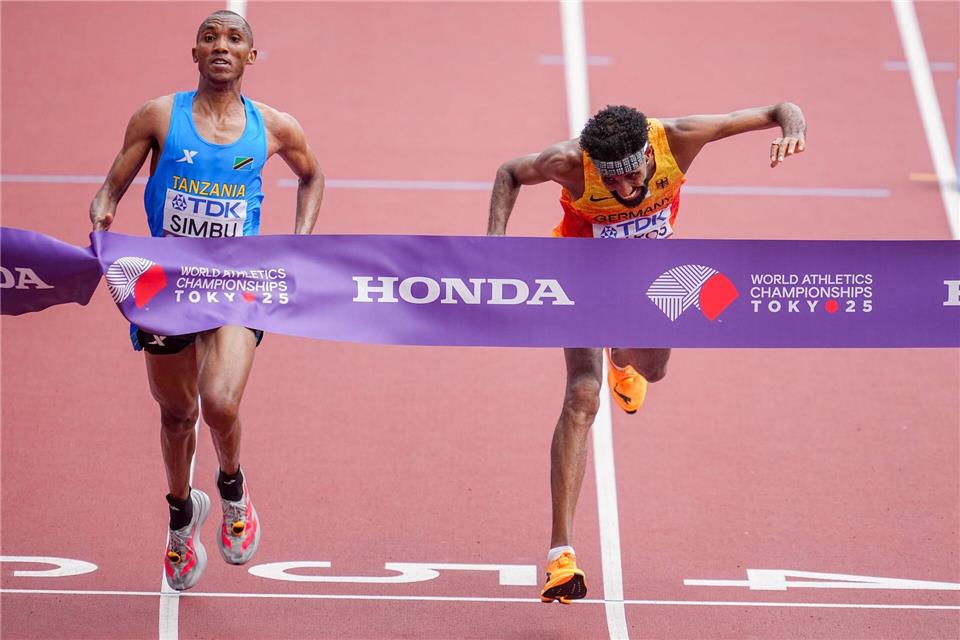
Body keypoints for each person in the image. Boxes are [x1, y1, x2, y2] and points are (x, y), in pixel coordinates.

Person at [487, 103, 806, 603]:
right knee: (582, 396)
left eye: (631, 175)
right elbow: (509, 172)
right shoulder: (567, 162)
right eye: (610, 180)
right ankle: (560, 557)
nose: (622, 188)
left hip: (652, 274)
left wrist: (793, 128)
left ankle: (622, 359)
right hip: (580, 272)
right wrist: (492, 244)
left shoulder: (680, 137)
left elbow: (778, 109)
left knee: (654, 371)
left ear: (647, 155)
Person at [89, 10, 324, 591]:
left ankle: (233, 490)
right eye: (210, 37)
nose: (221, 45)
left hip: (235, 284)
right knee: (176, 416)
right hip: (166, 286)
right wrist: (103, 210)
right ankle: (180, 517)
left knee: (219, 402)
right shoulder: (157, 116)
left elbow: (312, 177)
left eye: (234, 38)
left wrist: (299, 242)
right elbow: (111, 186)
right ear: (194, 52)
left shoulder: (275, 127)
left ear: (250, 56)